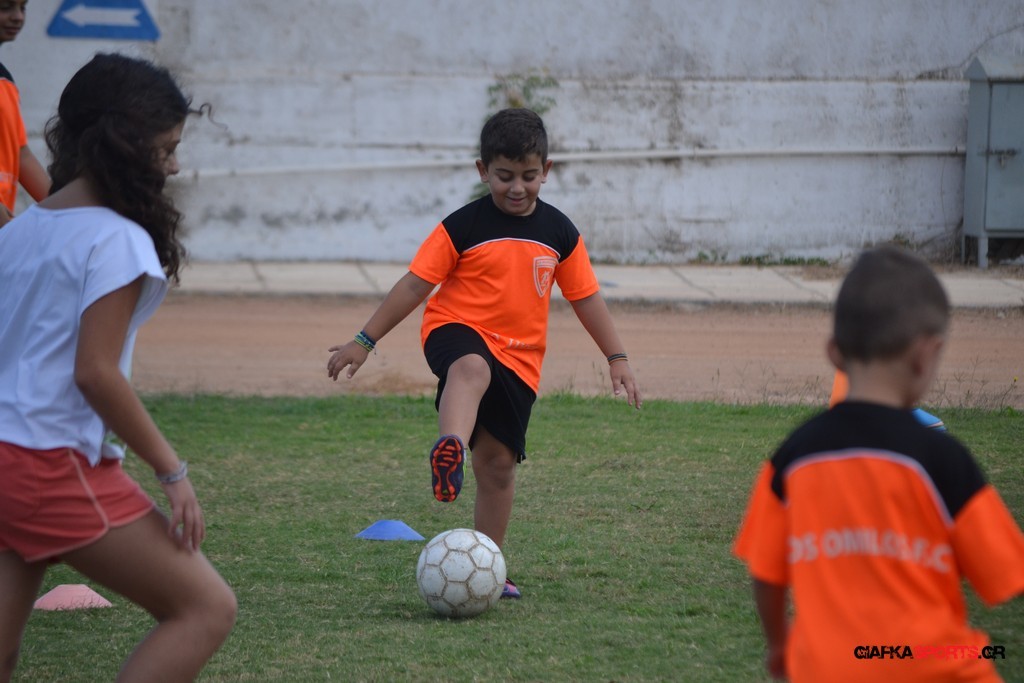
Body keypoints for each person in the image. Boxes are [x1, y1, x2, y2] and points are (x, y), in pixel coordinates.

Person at [327, 107, 642, 599]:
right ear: (482, 171)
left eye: (528, 176)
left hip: (520, 361)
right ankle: (449, 448)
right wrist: (364, 341)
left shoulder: (560, 232)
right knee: (471, 368)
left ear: (546, 171)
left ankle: (489, 567)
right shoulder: (463, 225)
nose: (517, 187)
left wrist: (616, 357)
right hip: (456, 332)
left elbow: (586, 298)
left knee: (497, 466)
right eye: (504, 176)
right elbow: (414, 286)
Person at [0, 54, 236, 682]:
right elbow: (96, 373)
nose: (174, 166)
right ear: (123, 144)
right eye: (167, 149)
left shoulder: (18, 232)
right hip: (44, 463)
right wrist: (172, 471)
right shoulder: (116, 239)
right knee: (206, 608)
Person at [733, 245, 1024, 682]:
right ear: (926, 355)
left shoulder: (792, 458)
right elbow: (1003, 576)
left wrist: (779, 647)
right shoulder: (942, 460)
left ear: (834, 353)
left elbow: (766, 572)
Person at [0, 0, 50, 227]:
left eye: (23, 7)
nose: (18, 17)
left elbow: (20, 153)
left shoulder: (6, 80)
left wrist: (67, 209)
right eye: (5, 7)